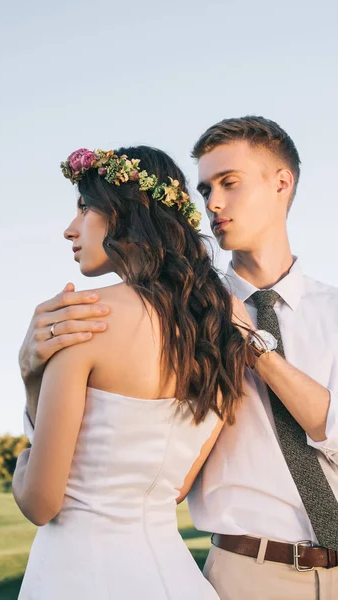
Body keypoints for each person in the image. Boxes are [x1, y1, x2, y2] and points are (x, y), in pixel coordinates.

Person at [13, 145, 249, 600]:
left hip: (77, 578)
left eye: (84, 208)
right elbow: (177, 489)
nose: (70, 229)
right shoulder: (221, 331)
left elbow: (41, 503)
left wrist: (23, 454)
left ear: (124, 214)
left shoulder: (84, 318)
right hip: (176, 579)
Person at [188, 116, 338, 599]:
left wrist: (253, 345)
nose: (212, 202)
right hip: (246, 575)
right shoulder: (187, 315)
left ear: (281, 182)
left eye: (229, 183)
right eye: (205, 188)